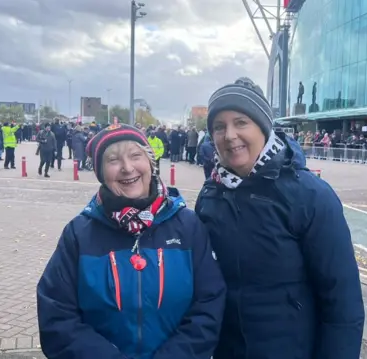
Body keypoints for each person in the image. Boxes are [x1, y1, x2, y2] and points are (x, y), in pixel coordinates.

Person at [195, 77, 364, 359]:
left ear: (263, 126)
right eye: (219, 127)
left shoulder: (310, 195)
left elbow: (342, 302)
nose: (229, 135)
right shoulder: (211, 194)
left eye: (241, 122)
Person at [37, 124, 226, 359]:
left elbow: (209, 304)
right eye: (113, 160)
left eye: (136, 156)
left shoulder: (188, 227)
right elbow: (57, 315)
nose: (127, 168)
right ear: (101, 173)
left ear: (150, 163)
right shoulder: (79, 234)